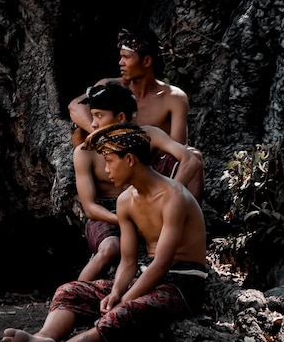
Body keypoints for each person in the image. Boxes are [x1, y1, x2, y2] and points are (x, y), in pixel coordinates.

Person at [3, 123, 208, 342]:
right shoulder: (125, 201)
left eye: (110, 161)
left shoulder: (173, 196)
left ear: (130, 159)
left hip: (182, 284)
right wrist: (116, 292)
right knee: (70, 290)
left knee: (122, 313)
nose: (106, 169)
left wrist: (125, 300)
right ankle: (45, 337)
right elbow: (129, 261)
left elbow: (162, 264)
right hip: (146, 277)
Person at [73, 81, 201, 281]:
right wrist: (128, 222)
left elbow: (190, 160)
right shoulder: (84, 152)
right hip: (107, 213)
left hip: (147, 202)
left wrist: (170, 195)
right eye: (93, 115)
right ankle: (73, 296)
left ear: (121, 117)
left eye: (99, 116)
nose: (94, 123)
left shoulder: (147, 135)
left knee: (189, 155)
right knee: (110, 249)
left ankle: (187, 222)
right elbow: (89, 207)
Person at [68, 28, 205, 203]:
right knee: (79, 133)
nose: (120, 63)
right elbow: (74, 107)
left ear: (146, 60)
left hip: (148, 167)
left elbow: (177, 148)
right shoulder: (110, 87)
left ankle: (188, 212)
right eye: (120, 57)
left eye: (126, 57)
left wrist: (135, 145)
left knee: (194, 155)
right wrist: (107, 137)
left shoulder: (173, 98)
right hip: (108, 166)